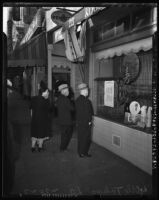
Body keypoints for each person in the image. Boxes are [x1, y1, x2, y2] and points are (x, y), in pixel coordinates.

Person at [30, 81, 51, 152]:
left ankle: (32, 147)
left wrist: (32, 117)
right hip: (43, 120)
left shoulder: (33, 99)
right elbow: (49, 110)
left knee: (34, 133)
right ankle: (40, 147)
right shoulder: (46, 101)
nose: (48, 93)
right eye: (47, 92)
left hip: (34, 119)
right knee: (41, 134)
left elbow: (30, 108)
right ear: (44, 93)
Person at [75, 83, 94, 158]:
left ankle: (80, 152)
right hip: (86, 124)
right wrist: (89, 121)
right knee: (86, 139)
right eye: (87, 90)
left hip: (79, 123)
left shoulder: (77, 100)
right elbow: (89, 113)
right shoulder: (87, 101)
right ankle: (85, 152)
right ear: (85, 91)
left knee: (80, 138)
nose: (88, 92)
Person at [56, 83, 74, 152]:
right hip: (67, 121)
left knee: (63, 135)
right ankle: (63, 148)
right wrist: (71, 102)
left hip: (61, 120)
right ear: (64, 91)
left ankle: (62, 147)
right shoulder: (66, 99)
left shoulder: (59, 98)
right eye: (68, 90)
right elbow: (72, 108)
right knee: (67, 135)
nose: (69, 92)